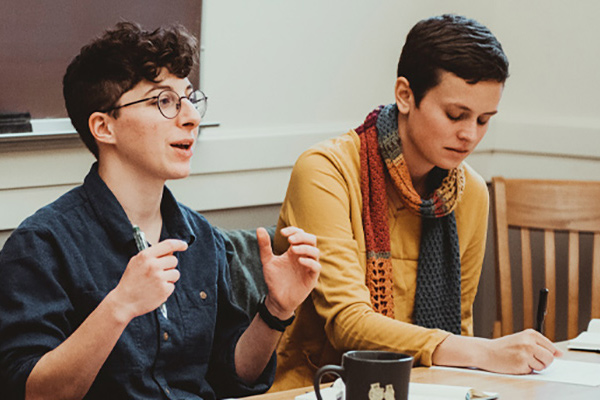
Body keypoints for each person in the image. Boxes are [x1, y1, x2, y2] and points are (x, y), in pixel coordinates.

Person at [0, 22, 320, 400]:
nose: (191, 117)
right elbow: (32, 392)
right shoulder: (41, 245)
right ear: (104, 127)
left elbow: (231, 376)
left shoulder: (201, 237)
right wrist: (119, 306)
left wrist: (276, 310)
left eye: (189, 99)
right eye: (164, 101)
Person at [270, 14, 562, 391]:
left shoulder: (470, 193)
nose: (469, 135)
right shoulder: (326, 171)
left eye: (484, 119)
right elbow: (348, 323)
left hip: (426, 387)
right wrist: (483, 352)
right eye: (456, 115)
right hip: (318, 388)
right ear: (405, 95)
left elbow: (459, 323)